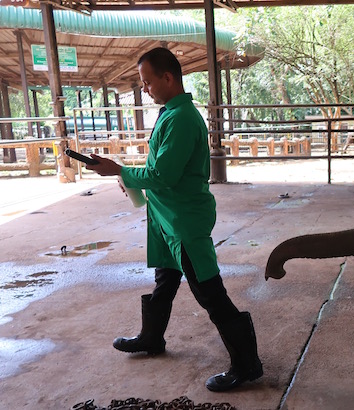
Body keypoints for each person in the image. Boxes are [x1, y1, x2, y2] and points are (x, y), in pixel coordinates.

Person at [86, 47, 262, 392]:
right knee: (165, 281)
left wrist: (120, 171)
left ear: (168, 78)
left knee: (210, 293)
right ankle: (152, 337)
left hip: (184, 222)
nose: (145, 88)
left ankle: (247, 364)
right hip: (166, 217)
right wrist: (128, 178)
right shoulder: (170, 113)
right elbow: (161, 173)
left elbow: (163, 173)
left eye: (148, 82)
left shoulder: (181, 118)